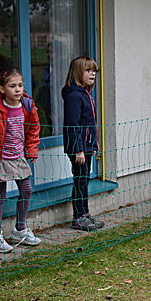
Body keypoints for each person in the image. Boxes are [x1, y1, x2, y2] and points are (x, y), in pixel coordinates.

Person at [0, 68, 42, 251]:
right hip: (1, 159)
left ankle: (20, 229)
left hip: (19, 157)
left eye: (20, 85)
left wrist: (31, 149)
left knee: (26, 190)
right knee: (0, 196)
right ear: (2, 89)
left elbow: (33, 129)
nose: (18, 89)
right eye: (12, 86)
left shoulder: (27, 106)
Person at [62, 56, 103, 232]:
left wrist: (93, 145)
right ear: (78, 72)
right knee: (80, 181)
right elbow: (74, 124)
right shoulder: (74, 96)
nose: (92, 73)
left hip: (86, 146)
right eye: (88, 70)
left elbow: (89, 123)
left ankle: (85, 214)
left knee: (84, 180)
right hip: (78, 148)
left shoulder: (85, 94)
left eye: (94, 70)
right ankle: (78, 217)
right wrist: (78, 149)